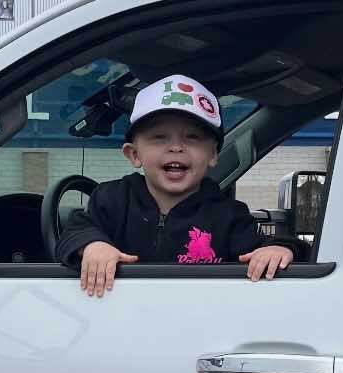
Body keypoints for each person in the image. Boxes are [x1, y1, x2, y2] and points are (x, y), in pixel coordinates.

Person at [54, 76, 299, 297]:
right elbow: (75, 232)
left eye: (192, 138)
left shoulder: (228, 214)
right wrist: (93, 245)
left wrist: (279, 249)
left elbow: (262, 248)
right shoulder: (111, 199)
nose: (176, 148)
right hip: (122, 318)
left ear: (213, 155)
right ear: (133, 154)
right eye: (159, 137)